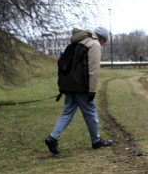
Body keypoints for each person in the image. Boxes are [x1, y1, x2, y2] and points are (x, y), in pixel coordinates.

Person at [44, 27, 114, 155]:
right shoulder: (94, 44)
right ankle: (96, 141)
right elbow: (93, 70)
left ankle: (53, 138)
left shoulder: (78, 41)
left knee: (67, 112)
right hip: (81, 86)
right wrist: (92, 90)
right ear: (101, 39)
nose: (102, 44)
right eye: (104, 42)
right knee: (91, 112)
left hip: (69, 84)